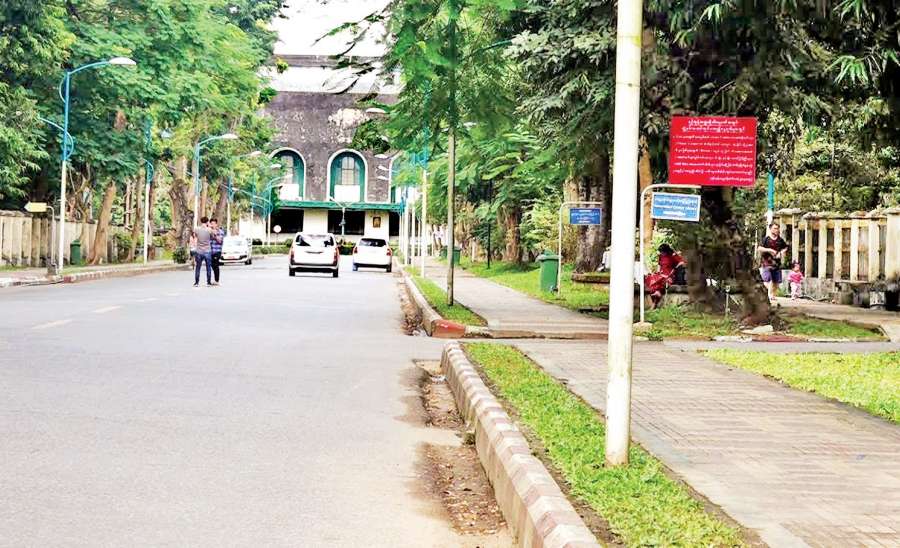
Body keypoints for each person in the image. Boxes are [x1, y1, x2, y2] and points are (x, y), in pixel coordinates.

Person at [644, 243, 686, 308]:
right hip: (661, 274)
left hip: (669, 276)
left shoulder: (672, 255)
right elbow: (659, 265)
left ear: (666, 251)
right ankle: (657, 293)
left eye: (662, 252)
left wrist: (675, 268)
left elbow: (682, 262)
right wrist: (657, 272)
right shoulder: (661, 256)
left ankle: (655, 300)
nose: (661, 253)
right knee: (650, 278)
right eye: (660, 252)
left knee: (660, 280)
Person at [757, 222, 789, 303]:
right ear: (770, 229)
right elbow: (759, 248)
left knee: (776, 282)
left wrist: (781, 253)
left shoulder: (780, 240)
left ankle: (772, 295)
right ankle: (769, 294)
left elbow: (785, 248)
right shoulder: (766, 239)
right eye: (775, 228)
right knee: (768, 280)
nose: (777, 230)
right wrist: (769, 250)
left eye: (778, 228)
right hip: (766, 263)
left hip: (776, 263)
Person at [190, 216, 213, 287]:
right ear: (207, 222)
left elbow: (194, 236)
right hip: (207, 250)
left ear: (201, 221)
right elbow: (212, 236)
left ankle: (196, 283)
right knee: (208, 267)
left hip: (199, 251)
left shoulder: (196, 229)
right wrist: (209, 226)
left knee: (198, 267)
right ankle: (208, 282)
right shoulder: (209, 230)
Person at [209, 218, 224, 285]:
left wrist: (215, 235)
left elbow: (220, 241)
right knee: (212, 265)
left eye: (213, 224)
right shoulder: (209, 231)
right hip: (210, 251)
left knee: (216, 265)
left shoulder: (220, 231)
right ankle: (214, 280)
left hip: (217, 251)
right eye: (211, 224)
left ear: (216, 224)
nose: (212, 225)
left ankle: (217, 281)